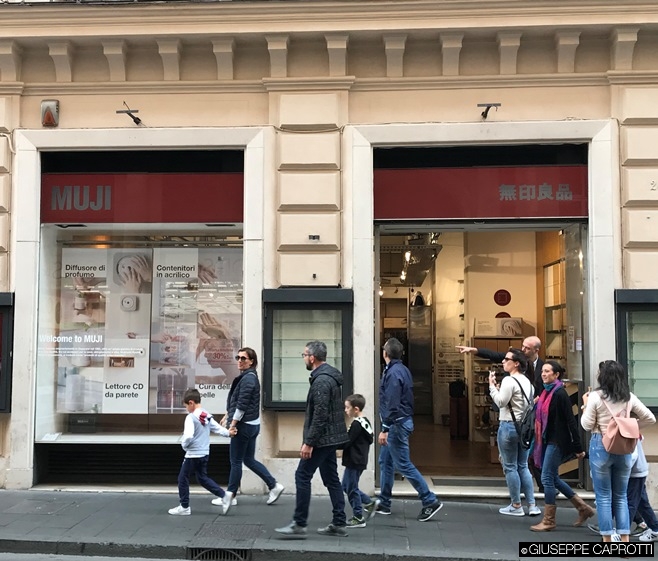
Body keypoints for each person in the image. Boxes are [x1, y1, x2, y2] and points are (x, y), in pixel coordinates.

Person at [275, 341, 350, 538]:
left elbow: (320, 415)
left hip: (322, 439)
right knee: (331, 479)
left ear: (312, 357)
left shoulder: (321, 381)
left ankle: (299, 523)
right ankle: (339, 522)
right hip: (330, 437)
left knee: (302, 475)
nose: (304, 358)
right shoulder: (328, 377)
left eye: (304, 355)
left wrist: (309, 442)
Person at [580, 360, 655, 542]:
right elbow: (650, 418)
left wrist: (585, 405)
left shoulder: (595, 397)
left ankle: (607, 540)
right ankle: (625, 540)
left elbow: (586, 425)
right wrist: (631, 427)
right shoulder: (628, 397)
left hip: (600, 444)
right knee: (621, 496)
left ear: (602, 377)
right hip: (624, 447)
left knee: (604, 496)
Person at [374, 337, 443, 521]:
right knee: (385, 462)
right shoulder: (401, 369)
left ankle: (429, 500)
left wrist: (385, 428)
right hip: (400, 422)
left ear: (385, 353)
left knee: (403, 464)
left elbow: (392, 402)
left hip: (396, 424)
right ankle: (384, 502)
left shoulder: (393, 373)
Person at [218, 347, 284, 514]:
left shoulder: (248, 379)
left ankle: (230, 495)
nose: (240, 361)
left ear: (251, 361)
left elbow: (242, 405)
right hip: (252, 425)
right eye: (238, 358)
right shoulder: (248, 377)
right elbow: (238, 402)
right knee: (248, 460)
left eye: (244, 358)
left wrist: (233, 424)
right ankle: (274, 485)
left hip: (243, 426)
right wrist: (227, 415)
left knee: (235, 461)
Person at [529, 361, 593, 531]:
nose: (543, 374)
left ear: (556, 375)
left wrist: (578, 447)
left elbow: (571, 422)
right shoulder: (545, 392)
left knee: (546, 478)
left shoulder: (560, 394)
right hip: (547, 440)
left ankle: (549, 520)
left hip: (557, 441)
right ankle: (583, 508)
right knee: (553, 478)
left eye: (547, 371)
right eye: (542, 371)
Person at [488, 348, 540, 517]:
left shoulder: (509, 381)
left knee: (510, 466)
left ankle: (516, 504)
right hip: (524, 428)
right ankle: (532, 505)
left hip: (508, 426)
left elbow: (501, 402)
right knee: (523, 466)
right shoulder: (528, 383)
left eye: (507, 359)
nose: (503, 361)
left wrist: (492, 387)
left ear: (516, 363)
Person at [168, 388, 235, 516]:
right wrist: (228, 433)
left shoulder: (190, 417)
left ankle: (184, 506)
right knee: (202, 478)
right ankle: (224, 496)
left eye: (186, 406)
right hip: (204, 453)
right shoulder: (205, 415)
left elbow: (188, 436)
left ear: (191, 403)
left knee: (182, 479)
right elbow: (217, 428)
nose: (186, 409)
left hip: (193, 454)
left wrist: (184, 445)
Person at [457, 336, 544, 397]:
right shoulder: (514, 357)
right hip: (508, 406)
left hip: (531, 409)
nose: (523, 350)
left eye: (527, 348)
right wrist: (474, 350)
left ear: (536, 350)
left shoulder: (543, 368)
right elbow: (493, 354)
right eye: (523, 346)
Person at [341, 393, 379, 528]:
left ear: (356, 409)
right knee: (346, 486)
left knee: (351, 488)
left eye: (347, 408)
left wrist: (333, 445)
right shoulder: (365, 422)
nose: (345, 410)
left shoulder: (357, 424)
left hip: (354, 460)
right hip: (359, 459)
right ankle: (369, 502)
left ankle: (358, 517)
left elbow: (347, 442)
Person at [628, 438, 658, 542]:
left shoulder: (626, 431)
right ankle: (655, 528)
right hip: (638, 470)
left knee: (630, 503)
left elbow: (633, 454)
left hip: (633, 471)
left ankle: (622, 533)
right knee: (641, 501)